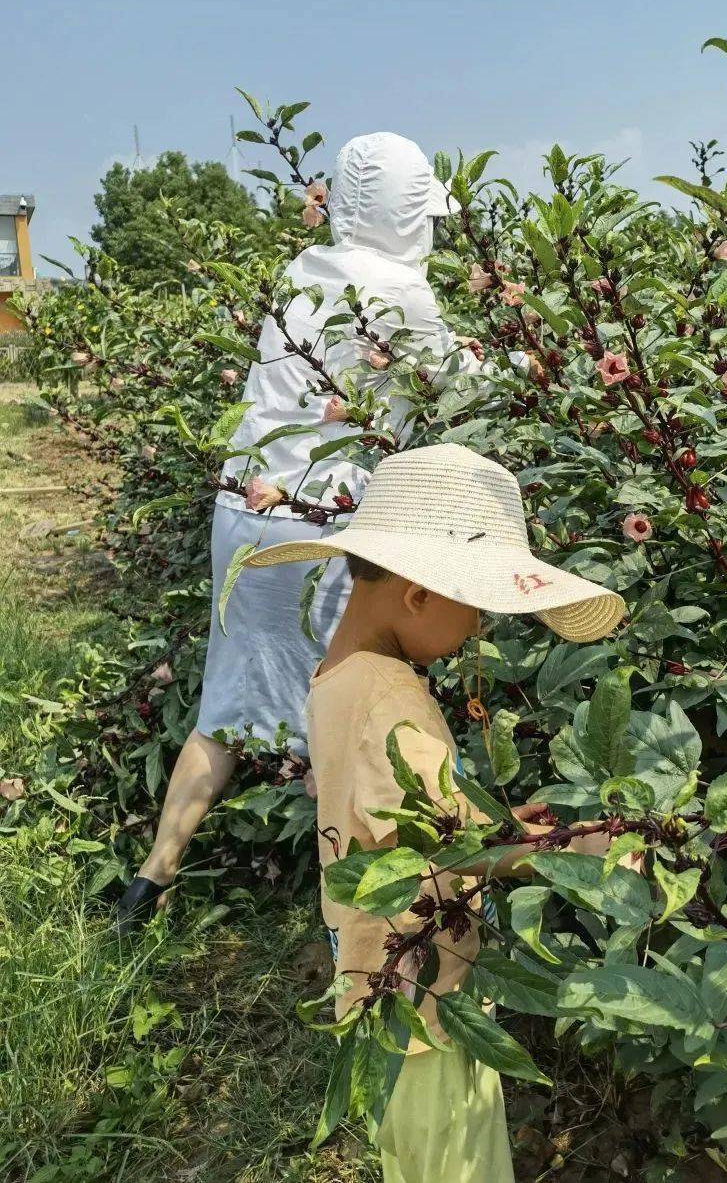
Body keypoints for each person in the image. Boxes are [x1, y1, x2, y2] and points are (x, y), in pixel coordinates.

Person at [117, 134, 526, 930]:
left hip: (245, 510)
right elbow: (463, 389)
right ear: (410, 214)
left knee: (225, 707)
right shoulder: (405, 292)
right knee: (353, 719)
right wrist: (517, 363)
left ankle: (147, 884)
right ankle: (365, 926)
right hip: (327, 530)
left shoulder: (302, 270)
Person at [244, 442, 626, 1182]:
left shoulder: (340, 674)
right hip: (429, 1000)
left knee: (409, 1153)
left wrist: (498, 818)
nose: (479, 628)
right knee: (458, 1156)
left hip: (371, 978)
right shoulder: (393, 700)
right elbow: (443, 854)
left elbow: (393, 821)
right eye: (474, 606)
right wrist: (565, 849)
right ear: (419, 593)